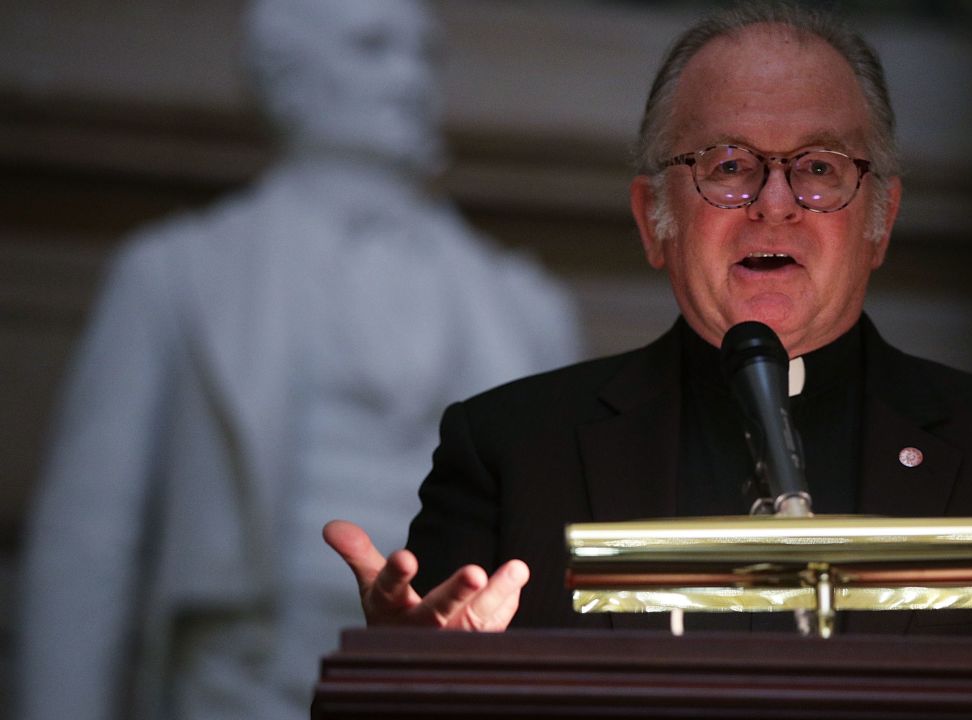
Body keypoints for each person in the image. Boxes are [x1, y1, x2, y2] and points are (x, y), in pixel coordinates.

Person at [325, 2, 972, 637]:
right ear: (653, 220)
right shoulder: (511, 453)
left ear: (881, 220)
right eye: (728, 167)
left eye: (819, 169)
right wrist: (415, 672)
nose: (775, 206)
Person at [18, 1, 580, 719]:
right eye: (373, 48)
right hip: (244, 683)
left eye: (424, 55)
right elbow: (88, 543)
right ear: (287, 76)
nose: (409, 77)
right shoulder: (176, 274)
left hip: (462, 681)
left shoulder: (523, 305)